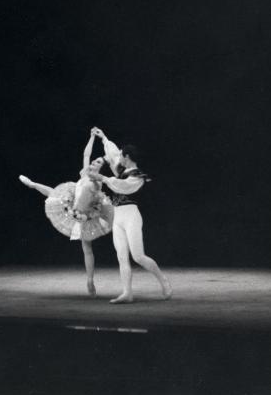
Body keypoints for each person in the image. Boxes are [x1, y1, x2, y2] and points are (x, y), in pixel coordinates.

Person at [19, 129, 114, 297]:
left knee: (87, 248)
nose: (92, 164)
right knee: (55, 193)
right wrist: (91, 137)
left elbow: (95, 200)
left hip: (85, 213)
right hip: (72, 200)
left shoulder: (97, 183)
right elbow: (86, 154)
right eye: (93, 163)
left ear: (101, 168)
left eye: (97, 163)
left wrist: (84, 213)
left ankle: (90, 280)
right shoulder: (86, 172)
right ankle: (32, 184)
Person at [90, 128, 173, 303]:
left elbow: (123, 186)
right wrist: (103, 137)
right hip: (117, 216)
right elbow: (112, 154)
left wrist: (103, 178)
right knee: (121, 255)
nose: (119, 157)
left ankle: (163, 281)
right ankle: (127, 292)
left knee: (138, 256)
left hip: (131, 216)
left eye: (122, 155)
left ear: (127, 157)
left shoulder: (137, 176)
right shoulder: (120, 170)